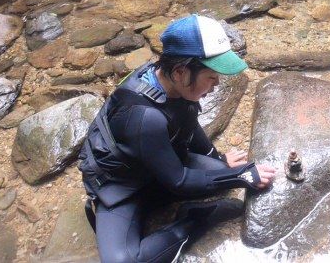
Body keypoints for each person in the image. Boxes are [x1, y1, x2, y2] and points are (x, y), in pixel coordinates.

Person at [78, 14, 277, 263]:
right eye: (212, 77)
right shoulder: (143, 117)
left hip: (157, 165)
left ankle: (190, 199)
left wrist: (217, 158)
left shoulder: (168, 79)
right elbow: (179, 181)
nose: (216, 85)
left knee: (217, 170)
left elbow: (189, 125)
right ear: (181, 72)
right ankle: (193, 219)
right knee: (123, 261)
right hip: (122, 188)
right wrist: (242, 175)